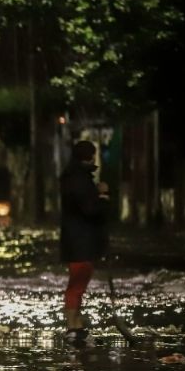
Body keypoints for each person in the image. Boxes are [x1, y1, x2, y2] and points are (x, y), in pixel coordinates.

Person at [59, 140, 109, 345]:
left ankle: (77, 325)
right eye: (94, 155)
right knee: (77, 285)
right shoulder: (79, 179)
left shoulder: (74, 177)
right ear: (89, 156)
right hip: (81, 241)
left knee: (78, 284)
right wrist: (103, 195)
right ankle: (73, 327)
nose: (96, 158)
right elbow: (90, 209)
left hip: (78, 239)